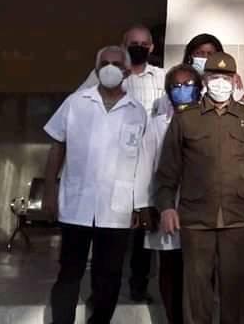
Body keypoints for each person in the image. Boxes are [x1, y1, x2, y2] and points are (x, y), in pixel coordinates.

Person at [154, 52, 244, 324]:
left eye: (226, 77)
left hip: (238, 216)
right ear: (205, 79)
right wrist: (166, 206)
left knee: (236, 290)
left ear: (235, 79)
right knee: (196, 292)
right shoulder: (186, 118)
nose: (220, 82)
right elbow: (168, 168)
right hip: (196, 218)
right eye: (215, 76)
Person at [43, 45, 153, 324]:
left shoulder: (137, 112)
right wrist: (49, 191)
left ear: (127, 72)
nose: (110, 68)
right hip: (76, 205)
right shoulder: (76, 102)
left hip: (117, 209)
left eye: (116, 64)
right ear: (95, 69)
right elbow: (57, 146)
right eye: (104, 63)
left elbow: (142, 162)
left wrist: (140, 205)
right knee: (69, 273)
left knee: (109, 276)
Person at [80, 25, 167, 302]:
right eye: (133, 42)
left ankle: (138, 289)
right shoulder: (105, 75)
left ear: (152, 48)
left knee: (143, 232)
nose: (139, 47)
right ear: (123, 44)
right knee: (108, 234)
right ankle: (101, 292)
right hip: (112, 167)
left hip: (149, 168)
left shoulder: (164, 78)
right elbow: (82, 107)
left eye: (144, 43)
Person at [141, 64, 203, 324]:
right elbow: (145, 167)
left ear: (200, 90)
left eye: (188, 85)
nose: (182, 90)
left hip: (201, 209)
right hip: (166, 207)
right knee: (170, 268)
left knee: (200, 272)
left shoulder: (210, 121)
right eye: (176, 87)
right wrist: (146, 206)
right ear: (168, 92)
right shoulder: (157, 125)